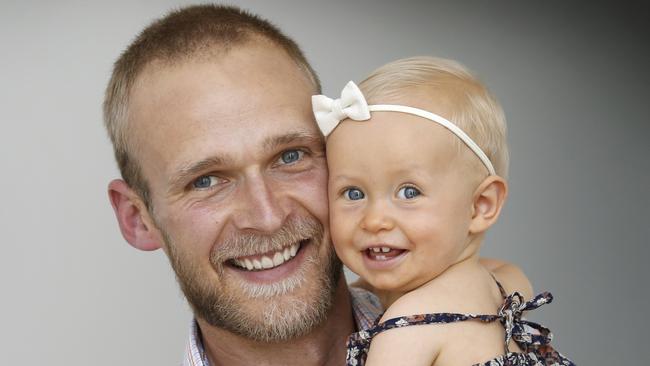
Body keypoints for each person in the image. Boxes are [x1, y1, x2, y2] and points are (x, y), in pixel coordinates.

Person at [103, 5, 530, 365]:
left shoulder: (479, 323)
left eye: (290, 156)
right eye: (206, 181)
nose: (267, 218)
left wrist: (475, 293)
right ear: (138, 219)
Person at [312, 57, 574, 365]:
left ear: (481, 205)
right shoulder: (504, 284)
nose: (374, 220)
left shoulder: (408, 330)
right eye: (353, 193)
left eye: (409, 192)